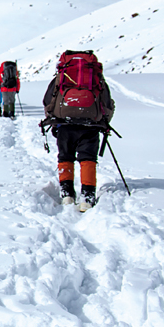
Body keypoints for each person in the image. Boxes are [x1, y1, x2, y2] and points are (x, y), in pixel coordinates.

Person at [40, 50, 116, 209]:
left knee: (65, 157)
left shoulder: (61, 77)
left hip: (65, 124)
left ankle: (66, 194)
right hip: (91, 125)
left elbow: (48, 100)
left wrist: (53, 120)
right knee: (88, 159)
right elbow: (107, 103)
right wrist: (104, 122)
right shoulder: (97, 78)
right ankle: (87, 197)